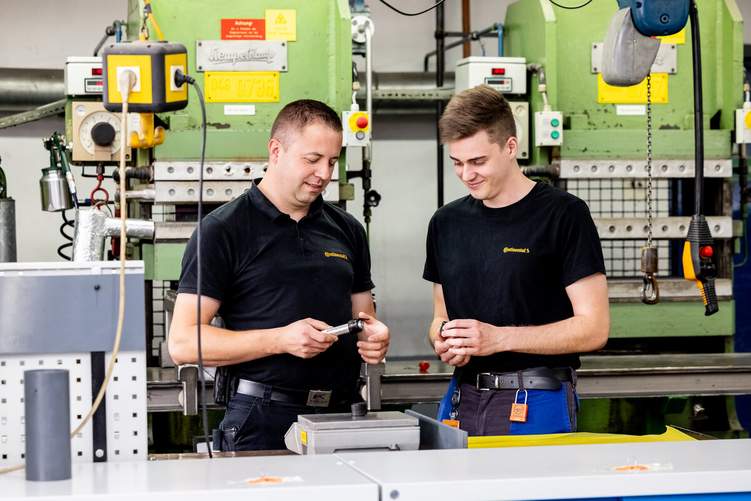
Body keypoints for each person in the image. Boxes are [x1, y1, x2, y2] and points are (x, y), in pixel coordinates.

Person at [169, 99, 390, 451]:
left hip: (341, 414)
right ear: (276, 150)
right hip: (261, 417)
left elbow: (364, 319)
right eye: (312, 159)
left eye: (332, 161)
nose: (324, 174)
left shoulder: (347, 229)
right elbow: (182, 343)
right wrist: (281, 340)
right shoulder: (222, 230)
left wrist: (375, 336)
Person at [424, 85, 609, 436]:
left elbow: (594, 328)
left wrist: (499, 339)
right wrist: (445, 338)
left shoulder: (564, 215)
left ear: (511, 146)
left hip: (537, 397)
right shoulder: (446, 223)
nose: (466, 174)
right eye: (457, 163)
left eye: (478, 161)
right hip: (461, 398)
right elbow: (439, 317)